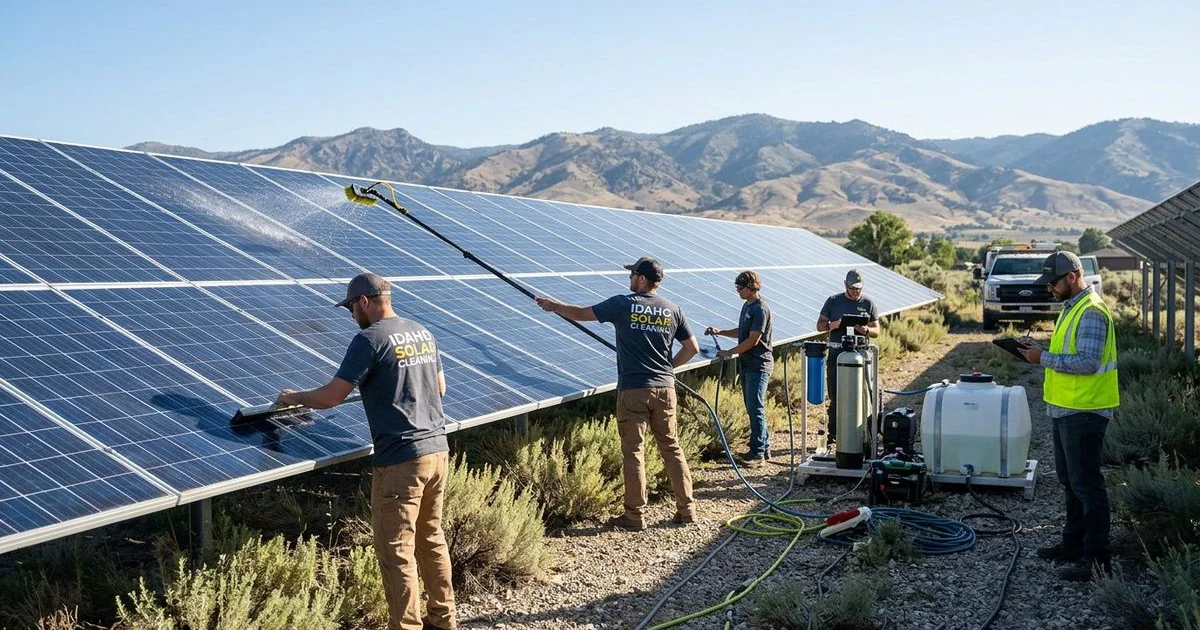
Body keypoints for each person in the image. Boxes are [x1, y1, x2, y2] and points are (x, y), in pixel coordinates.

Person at [276, 272, 456, 630]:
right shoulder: (421, 331)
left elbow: (332, 396)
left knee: (396, 550)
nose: (351, 315)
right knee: (431, 539)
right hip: (437, 450)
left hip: (402, 460)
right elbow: (440, 388)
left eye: (350, 308)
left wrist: (293, 398)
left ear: (363, 302)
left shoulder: (369, 339)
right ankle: (443, 620)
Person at [535, 256, 699, 529]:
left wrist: (553, 306)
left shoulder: (622, 304)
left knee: (634, 451)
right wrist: (667, 368)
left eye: (632, 274)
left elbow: (581, 314)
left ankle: (634, 516)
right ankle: (687, 510)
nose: (629, 278)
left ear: (642, 279)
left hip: (634, 389)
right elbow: (692, 348)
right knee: (671, 447)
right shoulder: (673, 309)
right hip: (665, 389)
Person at [1018, 251, 1119, 582]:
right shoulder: (1072, 308)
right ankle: (1073, 544)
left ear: (1073, 277)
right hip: (1066, 409)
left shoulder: (1091, 312)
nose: (1050, 288)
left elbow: (1088, 362)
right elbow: (1070, 353)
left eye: (1053, 282)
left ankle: (1097, 561)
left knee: (1087, 486)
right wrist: (1038, 350)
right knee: (1071, 482)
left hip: (1085, 412)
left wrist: (1043, 358)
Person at [704, 270, 774, 467]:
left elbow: (753, 340)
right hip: (748, 363)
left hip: (758, 364)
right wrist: (721, 332)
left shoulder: (760, 309)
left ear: (751, 287)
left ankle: (757, 454)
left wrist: (729, 352)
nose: (738, 291)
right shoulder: (748, 306)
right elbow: (742, 331)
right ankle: (764, 447)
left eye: (740, 288)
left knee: (755, 408)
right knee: (753, 407)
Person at [815, 269, 879, 444]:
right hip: (836, 356)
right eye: (852, 288)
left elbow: (877, 330)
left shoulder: (868, 303)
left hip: (860, 358)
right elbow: (819, 326)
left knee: (861, 394)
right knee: (836, 396)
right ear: (845, 285)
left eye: (858, 289)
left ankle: (861, 434)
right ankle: (835, 433)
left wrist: (866, 330)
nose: (855, 292)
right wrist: (832, 325)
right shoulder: (833, 301)